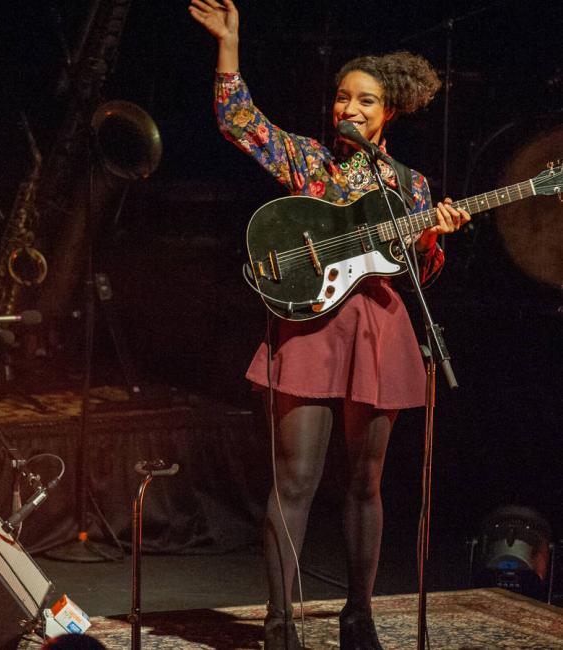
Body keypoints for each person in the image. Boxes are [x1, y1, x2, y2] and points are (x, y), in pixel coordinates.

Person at [189, 2, 471, 648]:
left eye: (364, 101)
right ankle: (279, 620)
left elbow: (417, 277)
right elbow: (241, 124)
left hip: (379, 329)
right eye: (343, 98)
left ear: (388, 111)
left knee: (366, 483)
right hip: (315, 330)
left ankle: (358, 616)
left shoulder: (412, 185)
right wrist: (229, 46)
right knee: (294, 480)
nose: (349, 109)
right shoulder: (312, 164)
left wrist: (435, 237)